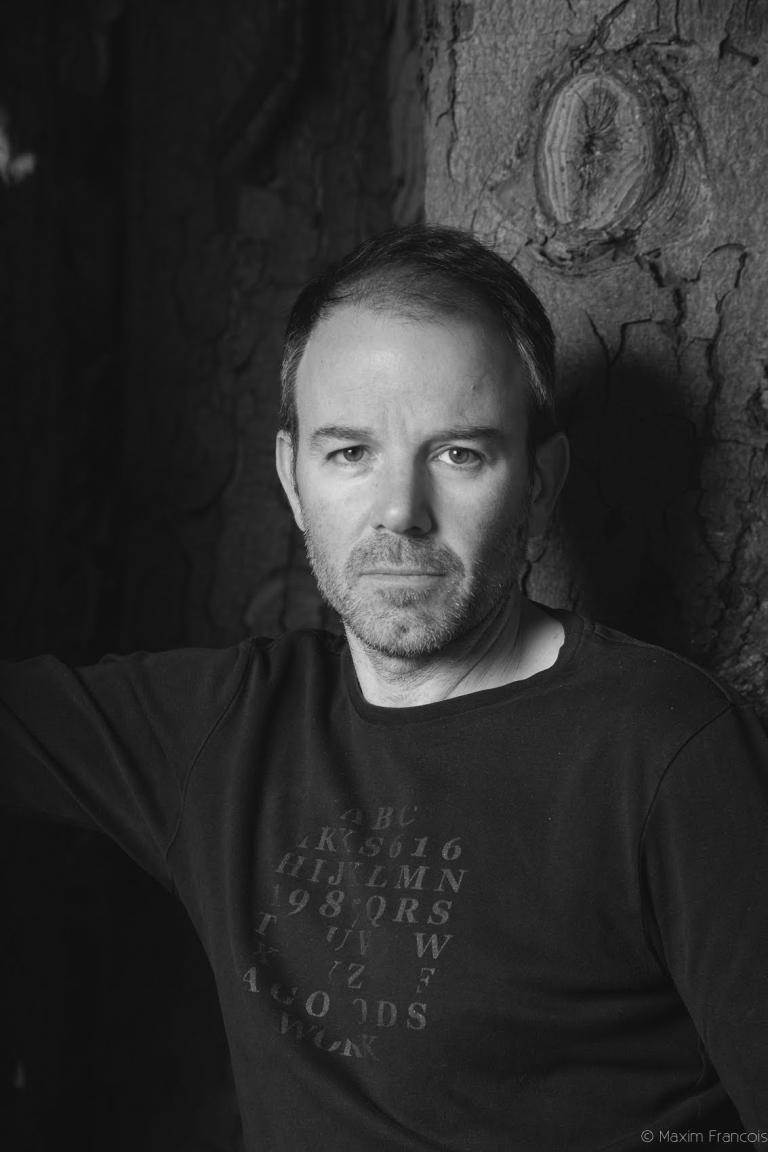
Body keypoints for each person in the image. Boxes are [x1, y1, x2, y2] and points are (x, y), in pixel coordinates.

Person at [2, 224, 768, 1151]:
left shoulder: (671, 752)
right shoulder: (225, 728)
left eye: (459, 454)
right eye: (349, 453)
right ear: (293, 479)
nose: (401, 512)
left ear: (540, 483)